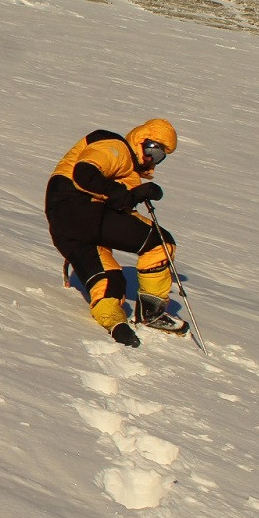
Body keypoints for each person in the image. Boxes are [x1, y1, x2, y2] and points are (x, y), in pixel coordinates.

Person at [44, 119, 187, 348]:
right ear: (140, 140)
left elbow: (114, 196)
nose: (152, 158)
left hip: (63, 225)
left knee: (109, 279)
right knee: (160, 243)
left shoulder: (127, 168)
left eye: (159, 156)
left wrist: (134, 193)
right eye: (152, 149)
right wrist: (128, 194)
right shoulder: (117, 147)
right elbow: (84, 174)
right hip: (82, 208)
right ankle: (152, 313)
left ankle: (114, 322)